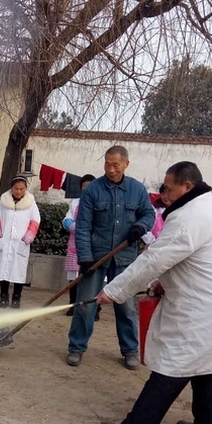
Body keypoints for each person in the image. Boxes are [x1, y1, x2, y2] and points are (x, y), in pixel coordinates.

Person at [96, 161, 212, 424]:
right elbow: (189, 258)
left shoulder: (190, 216)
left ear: (187, 187)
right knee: (208, 361)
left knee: (175, 361)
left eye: (168, 188)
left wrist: (114, 290)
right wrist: (161, 282)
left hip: (209, 305)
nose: (163, 194)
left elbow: (155, 258)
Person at [66, 145, 155, 370]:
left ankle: (130, 351)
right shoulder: (92, 191)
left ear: (126, 164)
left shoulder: (137, 190)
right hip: (95, 258)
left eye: (116, 165)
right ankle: (76, 347)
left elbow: (149, 214)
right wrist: (85, 258)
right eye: (107, 164)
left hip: (124, 259)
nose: (111, 169)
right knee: (85, 305)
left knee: (125, 307)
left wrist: (140, 226)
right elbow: (83, 226)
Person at [0, 175, 41, 309]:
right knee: (3, 270)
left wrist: (27, 238)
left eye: (21, 189)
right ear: (11, 188)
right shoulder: (3, 202)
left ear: (25, 189)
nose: (18, 191)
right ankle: (3, 297)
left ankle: (16, 298)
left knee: (18, 272)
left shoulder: (30, 203)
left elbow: (35, 221)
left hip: (21, 243)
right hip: (5, 241)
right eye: (16, 188)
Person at [63, 174, 101, 319]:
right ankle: (73, 305)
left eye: (89, 186)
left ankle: (95, 309)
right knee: (74, 278)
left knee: (95, 279)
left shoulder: (99, 202)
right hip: (76, 244)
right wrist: (71, 225)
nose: (86, 189)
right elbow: (68, 219)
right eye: (84, 186)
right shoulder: (75, 202)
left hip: (95, 245)